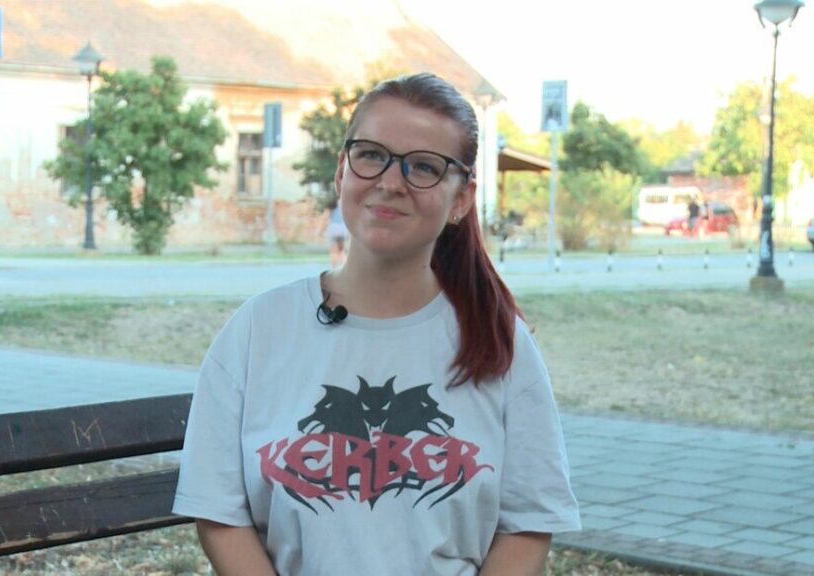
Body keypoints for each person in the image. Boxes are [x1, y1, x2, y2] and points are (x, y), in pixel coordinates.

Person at [173, 73, 580, 575]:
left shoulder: (499, 343)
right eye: (371, 155)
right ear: (342, 171)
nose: (390, 182)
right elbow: (219, 513)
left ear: (461, 198)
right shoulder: (258, 330)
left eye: (424, 166)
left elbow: (528, 524)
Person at [326, 199, 349, 267]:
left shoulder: (333, 210)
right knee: (341, 250)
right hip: (342, 229)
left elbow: (328, 218)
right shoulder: (346, 209)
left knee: (333, 250)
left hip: (333, 229)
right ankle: (344, 266)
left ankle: (333, 267)